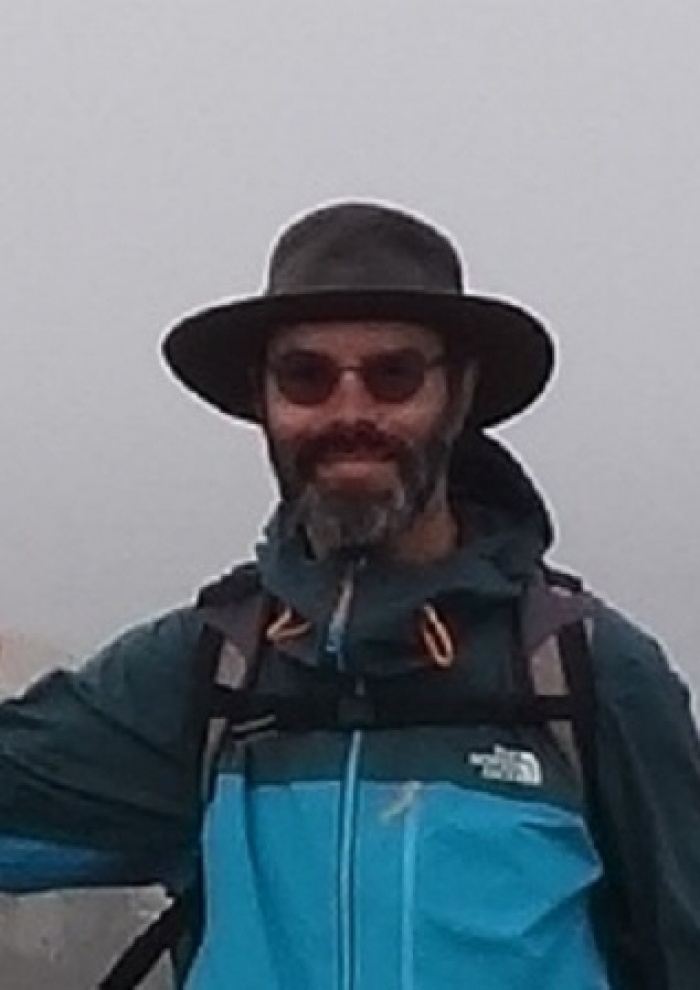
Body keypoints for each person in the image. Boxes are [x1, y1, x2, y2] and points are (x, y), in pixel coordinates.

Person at [1, 200, 699, 990]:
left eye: (394, 375)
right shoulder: (204, 676)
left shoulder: (586, 674)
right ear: (263, 399)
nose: (350, 412)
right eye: (306, 377)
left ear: (459, 393)